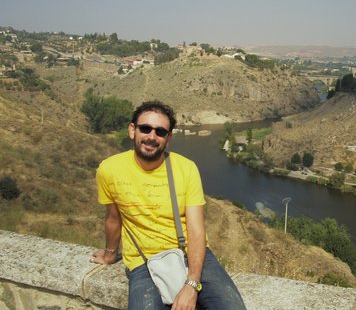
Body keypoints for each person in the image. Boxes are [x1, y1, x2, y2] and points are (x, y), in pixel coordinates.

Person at [90, 100, 246, 310]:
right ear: (132, 130)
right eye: (145, 128)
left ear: (168, 138)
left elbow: (196, 230)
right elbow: (113, 218)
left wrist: (191, 284)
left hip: (188, 253)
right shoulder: (109, 170)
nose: (151, 137)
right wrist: (110, 254)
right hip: (142, 261)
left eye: (160, 132)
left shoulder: (186, 169)